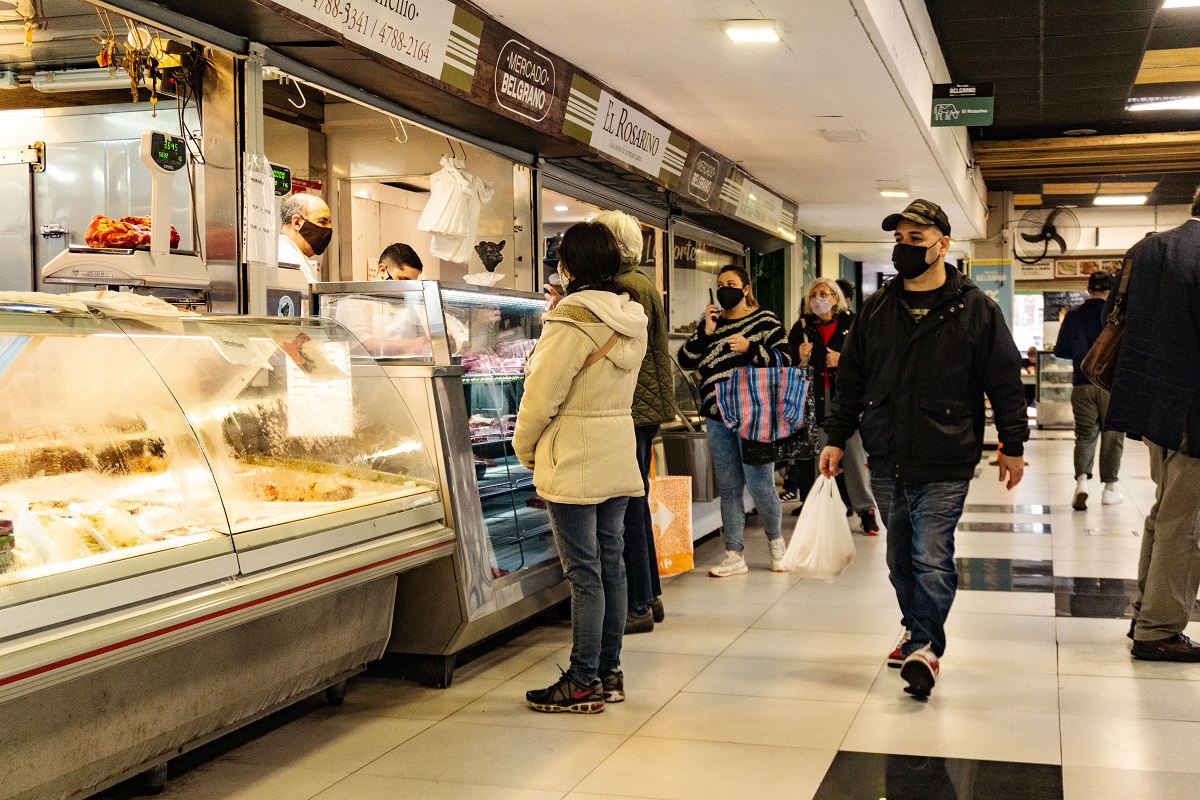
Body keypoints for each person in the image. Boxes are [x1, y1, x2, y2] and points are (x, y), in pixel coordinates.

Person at [820, 199, 1028, 697]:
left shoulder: (976, 308)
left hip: (946, 452)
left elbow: (1004, 381)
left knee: (931, 555)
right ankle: (916, 628)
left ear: (943, 244)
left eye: (916, 239)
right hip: (887, 452)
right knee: (899, 560)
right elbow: (851, 381)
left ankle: (925, 648)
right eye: (900, 239)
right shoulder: (877, 308)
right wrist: (835, 437)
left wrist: (1013, 442)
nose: (905, 248)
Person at [513, 222, 648, 712]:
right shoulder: (631, 316)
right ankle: (609, 672)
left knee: (585, 572)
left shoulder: (570, 321)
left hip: (573, 456)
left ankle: (582, 680)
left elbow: (541, 396)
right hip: (617, 450)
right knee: (611, 564)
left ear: (568, 267)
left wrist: (524, 447)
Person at [1106, 191, 1200, 663]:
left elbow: (1115, 316)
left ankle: (1146, 611)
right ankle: (1158, 628)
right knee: (1187, 523)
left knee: (1166, 513)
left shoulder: (1146, 249)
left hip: (1152, 407)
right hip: (1194, 411)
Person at [677, 265, 790, 577]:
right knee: (728, 487)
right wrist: (706, 332)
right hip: (716, 415)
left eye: (731, 283)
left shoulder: (764, 320)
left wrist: (751, 348)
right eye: (720, 284)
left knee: (760, 484)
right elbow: (686, 360)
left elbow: (785, 359)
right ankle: (734, 553)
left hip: (755, 415)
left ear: (746, 289)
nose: (725, 288)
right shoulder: (710, 325)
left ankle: (776, 542)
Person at [595, 210, 677, 633]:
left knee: (626, 508)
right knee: (635, 504)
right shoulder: (640, 281)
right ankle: (649, 595)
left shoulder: (626, 287)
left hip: (631, 409)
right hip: (643, 408)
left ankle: (637, 604)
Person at [781, 278, 879, 534]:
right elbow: (787, 364)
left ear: (836, 298)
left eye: (823, 294)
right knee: (818, 456)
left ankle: (866, 510)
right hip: (813, 397)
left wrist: (842, 359)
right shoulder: (802, 327)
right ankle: (820, 511)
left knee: (853, 454)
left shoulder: (854, 324)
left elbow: (871, 360)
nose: (818, 299)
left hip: (845, 398)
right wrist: (798, 355)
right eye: (813, 295)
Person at [1054, 270, 1124, 509]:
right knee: (1112, 435)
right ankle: (1109, 489)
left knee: (1084, 435)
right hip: (1110, 386)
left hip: (1082, 384)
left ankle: (1082, 482)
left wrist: (1080, 352)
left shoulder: (1073, 316)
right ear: (1111, 291)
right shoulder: (1117, 316)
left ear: (1088, 289)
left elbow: (1060, 350)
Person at [332, 243, 432, 358]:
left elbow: (422, 343)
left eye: (412, 283)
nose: (407, 287)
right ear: (383, 270)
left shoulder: (407, 304)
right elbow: (361, 345)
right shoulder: (354, 300)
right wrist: (409, 346)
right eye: (403, 279)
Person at [278, 193, 333, 284]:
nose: (329, 228)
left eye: (329, 223)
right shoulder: (288, 258)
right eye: (322, 222)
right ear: (297, 222)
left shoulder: (294, 254)